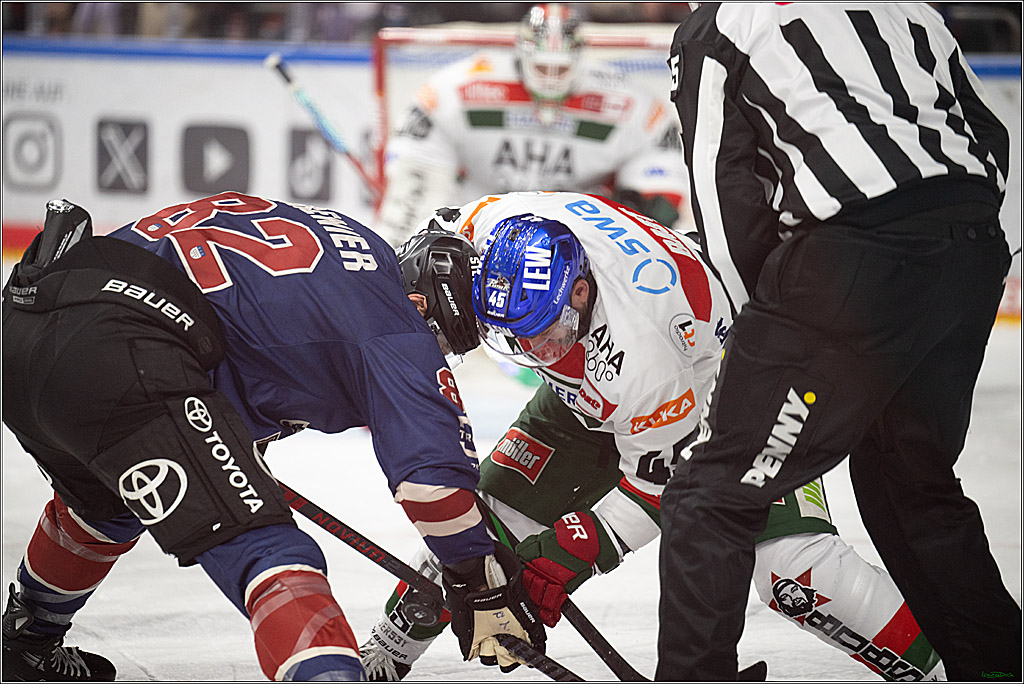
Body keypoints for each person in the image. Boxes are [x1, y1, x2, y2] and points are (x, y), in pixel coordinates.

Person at [358, 191, 947, 682]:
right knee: (474, 528)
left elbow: (660, 486)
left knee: (793, 571)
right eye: (517, 336)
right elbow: (433, 250)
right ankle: (383, 656)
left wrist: (572, 554)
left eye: (549, 332)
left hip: (732, 399)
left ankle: (946, 667)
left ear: (581, 292)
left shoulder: (640, 354)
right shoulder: (490, 229)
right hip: (592, 402)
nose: (537, 352)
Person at [1, 193, 544, 681]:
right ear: (428, 309)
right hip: (124, 347)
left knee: (104, 502)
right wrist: (477, 575)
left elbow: (240, 316)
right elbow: (434, 488)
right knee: (268, 546)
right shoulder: (396, 327)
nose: (446, 355)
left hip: (28, 319)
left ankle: (25, 639)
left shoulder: (341, 234)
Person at [659, 3, 1020, 680]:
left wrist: (763, 315)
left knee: (712, 494)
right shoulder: (907, 6)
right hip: (971, 253)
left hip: (851, 262)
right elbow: (991, 135)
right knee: (909, 483)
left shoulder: (718, 24)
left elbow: (721, 188)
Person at [373, 2, 691, 248]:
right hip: (476, 227)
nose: (550, 79)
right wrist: (412, 232)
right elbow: (416, 156)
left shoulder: (628, 103)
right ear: (522, 52)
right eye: (542, 66)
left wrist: (630, 217)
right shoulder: (463, 86)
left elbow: (663, 179)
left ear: (580, 58)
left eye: (560, 69)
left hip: (579, 237)